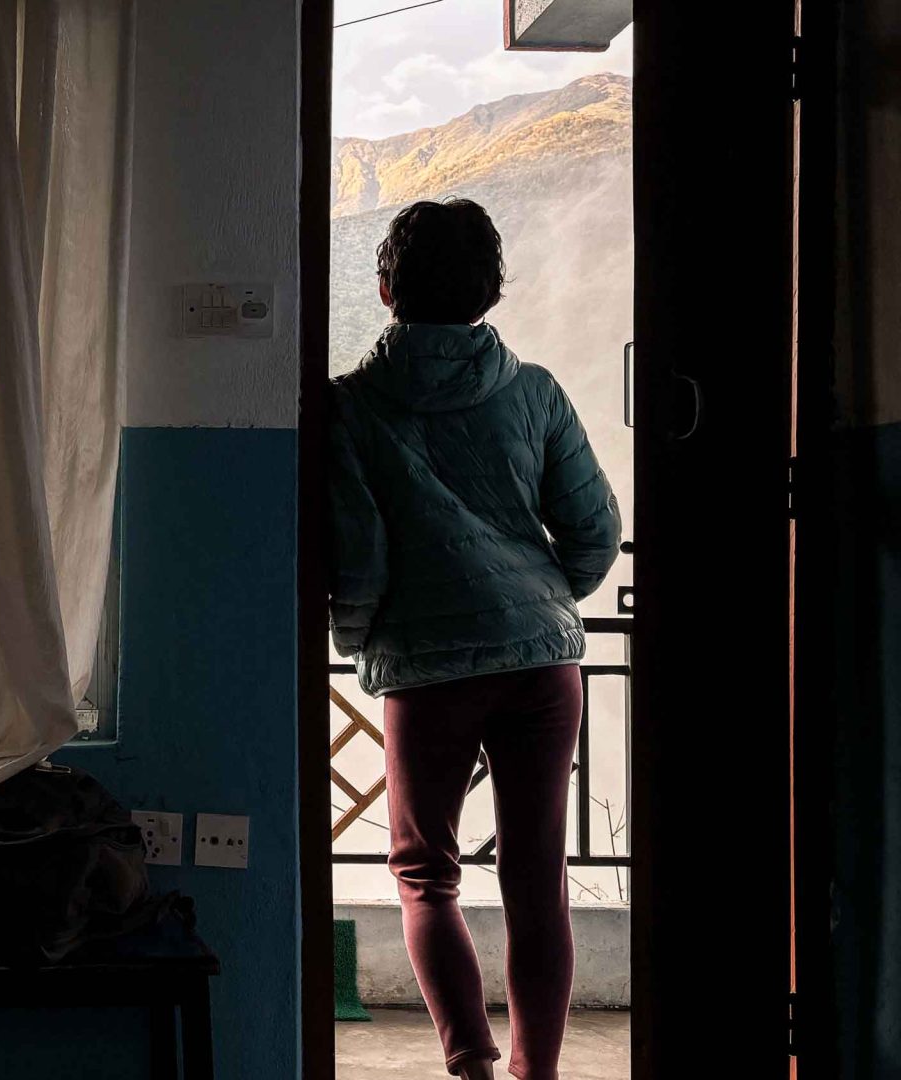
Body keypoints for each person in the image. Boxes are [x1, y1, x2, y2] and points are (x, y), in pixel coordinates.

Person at [328, 199, 621, 1080]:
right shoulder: (534, 392)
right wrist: (533, 605)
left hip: (428, 668)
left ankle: (473, 1067)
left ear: (386, 290)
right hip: (542, 665)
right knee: (538, 881)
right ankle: (539, 1071)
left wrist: (362, 640)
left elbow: (360, 556)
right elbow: (597, 533)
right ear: (491, 292)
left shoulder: (351, 407)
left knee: (426, 874)